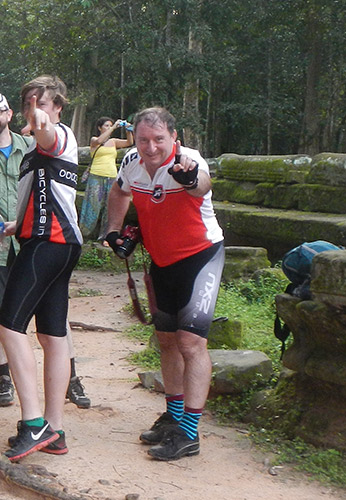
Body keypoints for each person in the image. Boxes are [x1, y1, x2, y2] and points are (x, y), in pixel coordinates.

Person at [104, 107, 222, 462]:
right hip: (161, 261)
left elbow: (202, 183)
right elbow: (119, 192)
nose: (151, 147)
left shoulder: (189, 161)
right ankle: (174, 416)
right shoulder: (131, 162)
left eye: (159, 139)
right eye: (143, 140)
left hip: (200, 257)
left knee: (190, 344)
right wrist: (113, 230)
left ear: (174, 139)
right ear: (135, 139)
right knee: (166, 342)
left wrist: (187, 180)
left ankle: (189, 435)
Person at [0, 91, 92, 410]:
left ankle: (70, 381)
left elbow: (49, 141)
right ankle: (5, 380)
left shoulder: (30, 144)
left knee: (53, 320)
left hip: (38, 239)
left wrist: (42, 124)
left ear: (8, 115)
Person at [0, 75, 83, 462]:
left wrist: (43, 124)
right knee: (52, 336)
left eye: (41, 103)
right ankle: (55, 429)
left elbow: (49, 136)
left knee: (8, 325)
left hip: (50, 244)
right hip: (52, 242)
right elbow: (43, 196)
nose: (35, 111)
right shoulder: (31, 152)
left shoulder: (59, 134)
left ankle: (33, 424)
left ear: (58, 107)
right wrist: (17, 224)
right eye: (28, 104)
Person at [80, 116, 133, 241]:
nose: (109, 127)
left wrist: (129, 130)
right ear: (99, 128)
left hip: (111, 176)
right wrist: (114, 127)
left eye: (110, 125)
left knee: (110, 208)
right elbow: (98, 141)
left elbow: (129, 143)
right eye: (106, 126)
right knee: (92, 206)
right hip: (96, 176)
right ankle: (84, 233)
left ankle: (106, 237)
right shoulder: (95, 140)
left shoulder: (113, 141)